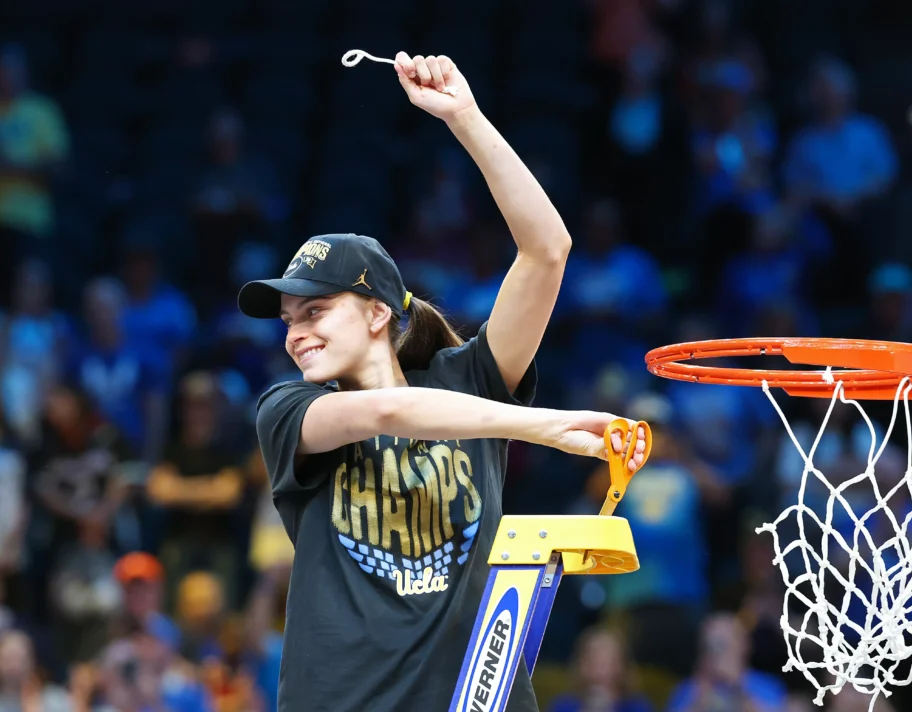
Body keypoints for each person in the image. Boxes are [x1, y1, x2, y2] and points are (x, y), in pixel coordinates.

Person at [238, 52, 646, 712]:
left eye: (315, 311)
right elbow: (385, 413)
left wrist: (466, 117)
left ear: (378, 312)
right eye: (288, 320)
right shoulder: (287, 410)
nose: (295, 333)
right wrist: (540, 426)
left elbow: (548, 251)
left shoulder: (471, 377)